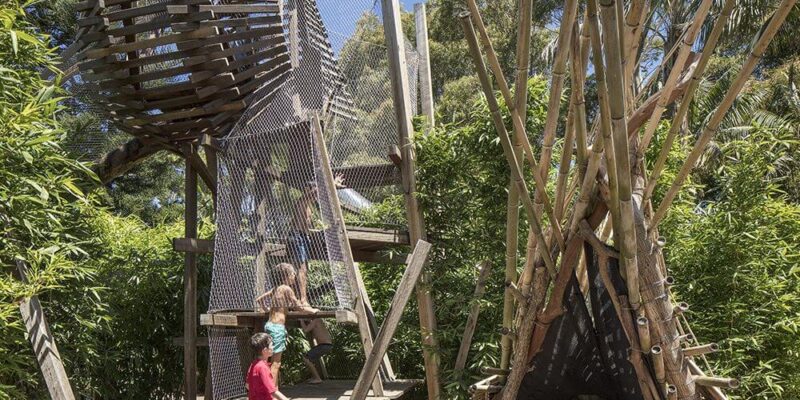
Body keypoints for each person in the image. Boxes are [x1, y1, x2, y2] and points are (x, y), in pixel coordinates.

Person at [255, 263, 318, 387]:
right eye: (293, 273)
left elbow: (259, 299)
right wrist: (313, 311)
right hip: (277, 327)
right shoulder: (286, 289)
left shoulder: (276, 289)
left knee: (268, 360)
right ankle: (272, 394)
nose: (295, 276)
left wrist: (266, 309)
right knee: (276, 363)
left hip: (269, 325)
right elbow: (298, 306)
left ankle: (270, 389)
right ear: (287, 275)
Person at [290, 174, 345, 305]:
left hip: (304, 236)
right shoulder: (302, 200)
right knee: (301, 269)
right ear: (306, 189)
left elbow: (308, 225)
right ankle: (302, 300)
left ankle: (299, 298)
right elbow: (316, 192)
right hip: (297, 236)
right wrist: (332, 183)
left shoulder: (309, 207)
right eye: (312, 188)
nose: (315, 192)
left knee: (304, 269)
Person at [246, 333, 288, 400]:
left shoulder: (253, 365)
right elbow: (273, 391)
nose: (273, 347)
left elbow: (247, 385)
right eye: (272, 345)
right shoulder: (263, 367)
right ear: (265, 351)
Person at [299, 318, 334, 384]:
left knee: (306, 358)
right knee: (312, 359)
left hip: (324, 345)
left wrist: (301, 320)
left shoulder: (316, 320)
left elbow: (306, 330)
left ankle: (317, 378)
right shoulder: (319, 321)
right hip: (326, 345)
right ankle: (315, 377)